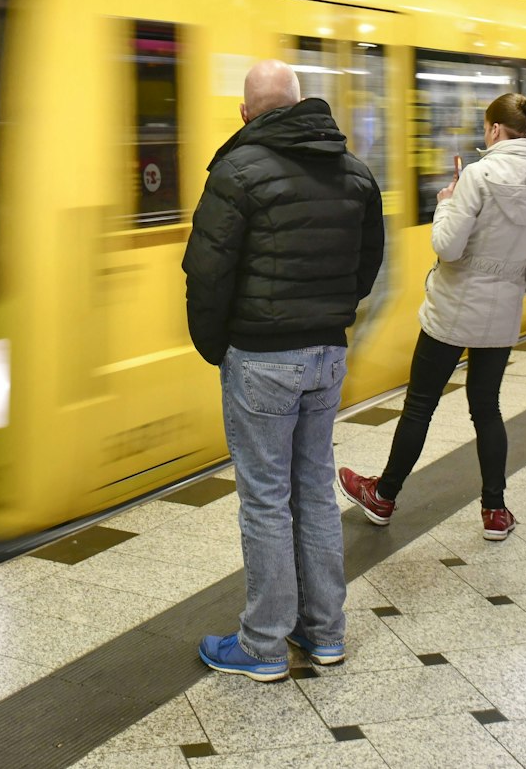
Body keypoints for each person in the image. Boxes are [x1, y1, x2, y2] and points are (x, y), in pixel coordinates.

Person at [183, 60, 385, 681]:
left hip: (262, 359)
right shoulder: (355, 172)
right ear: (302, 105)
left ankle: (264, 644)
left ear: (246, 114)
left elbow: (207, 273)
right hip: (327, 356)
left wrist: (219, 346)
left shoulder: (237, 171)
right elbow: (368, 263)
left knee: (266, 501)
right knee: (315, 493)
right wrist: (330, 317)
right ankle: (324, 633)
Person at [338, 93, 526, 540]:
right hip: (502, 312)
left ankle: (384, 495)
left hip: (454, 307)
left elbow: (447, 247)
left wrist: (446, 201)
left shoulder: (477, 176)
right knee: (487, 408)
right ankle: (495, 511)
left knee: (420, 405)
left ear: (495, 129)